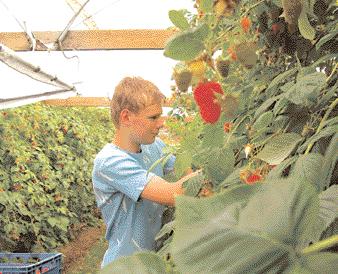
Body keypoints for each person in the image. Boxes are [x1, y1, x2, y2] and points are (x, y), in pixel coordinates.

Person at [92, 76, 200, 268]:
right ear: (126, 117)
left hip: (153, 262)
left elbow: (183, 170)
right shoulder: (110, 161)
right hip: (126, 267)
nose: (161, 123)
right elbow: (173, 193)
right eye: (153, 117)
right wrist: (215, 172)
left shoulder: (155, 146)